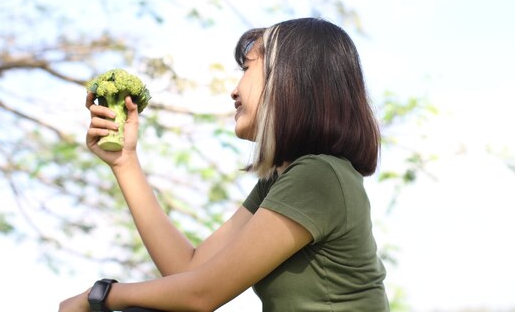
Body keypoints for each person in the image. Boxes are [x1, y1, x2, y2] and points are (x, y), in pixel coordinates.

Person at [59, 17, 389, 312]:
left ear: (291, 77)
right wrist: (125, 162)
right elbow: (187, 270)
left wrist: (100, 296)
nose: (234, 90)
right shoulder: (283, 181)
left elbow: (201, 295)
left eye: (247, 69)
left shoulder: (319, 177)